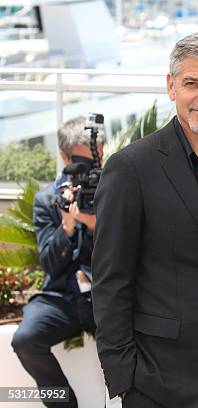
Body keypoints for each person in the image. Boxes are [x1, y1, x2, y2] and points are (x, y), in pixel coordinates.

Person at [92, 32, 198, 407]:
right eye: (192, 83)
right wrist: (125, 380)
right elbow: (111, 281)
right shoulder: (130, 170)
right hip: (161, 383)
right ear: (171, 86)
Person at [11, 116, 104, 408]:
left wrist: (93, 224)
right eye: (82, 161)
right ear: (65, 157)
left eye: (95, 159)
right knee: (24, 340)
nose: (89, 169)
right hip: (61, 298)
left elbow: (127, 252)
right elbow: (50, 263)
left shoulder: (114, 191)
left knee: (134, 343)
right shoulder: (47, 199)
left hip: (103, 298)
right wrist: (66, 226)